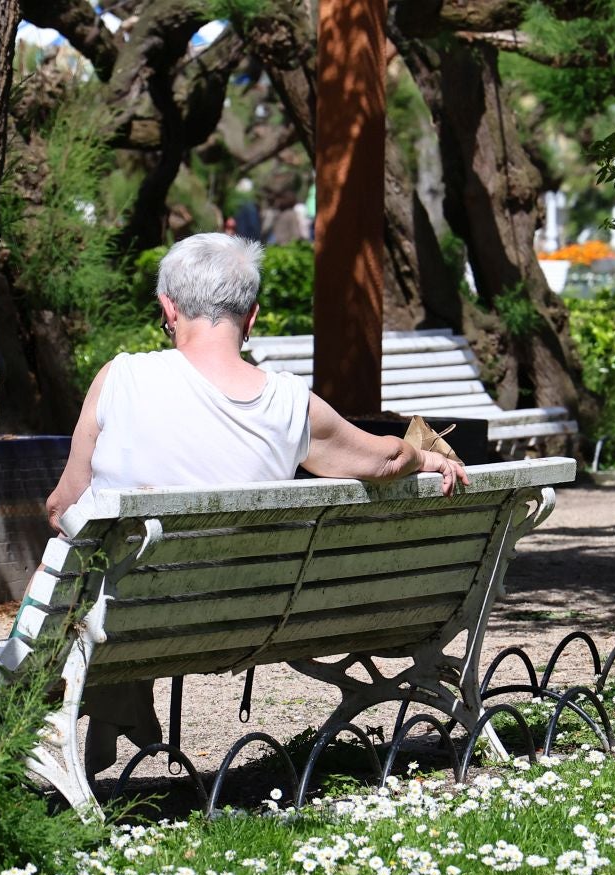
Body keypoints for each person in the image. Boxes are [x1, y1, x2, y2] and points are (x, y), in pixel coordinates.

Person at [45, 232, 468, 774]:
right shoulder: (289, 402)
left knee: (114, 575)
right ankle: (117, 708)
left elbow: (64, 508)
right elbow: (384, 461)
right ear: (252, 317)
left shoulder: (120, 379)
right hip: (245, 615)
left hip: (129, 621)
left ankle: (110, 707)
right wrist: (422, 456)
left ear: (168, 309)